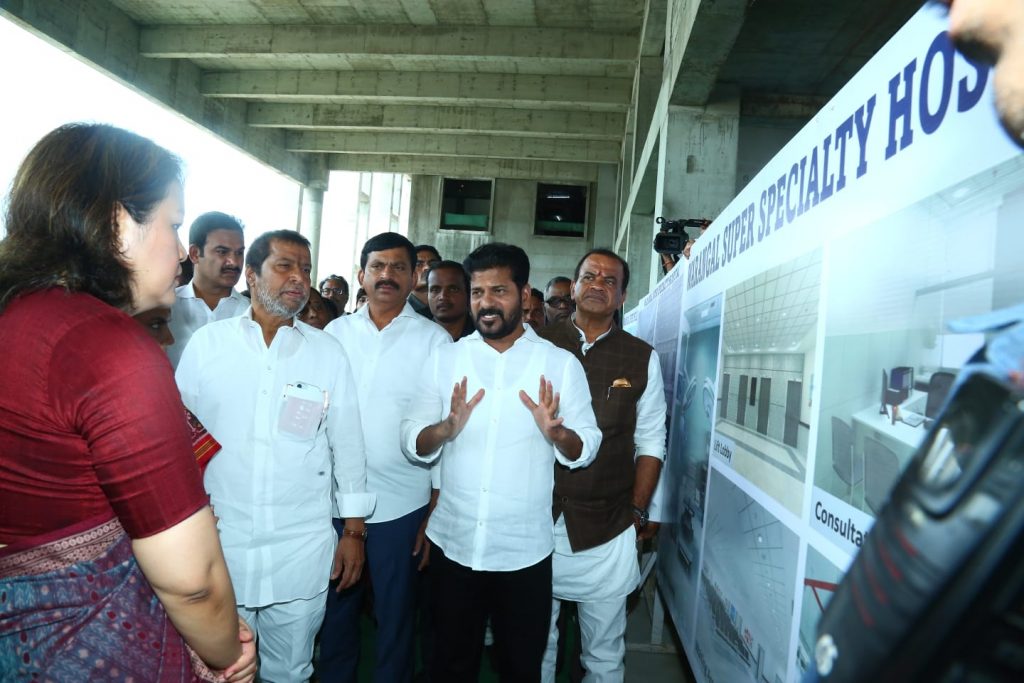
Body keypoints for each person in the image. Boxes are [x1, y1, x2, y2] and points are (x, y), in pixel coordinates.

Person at [0, 123, 255, 681]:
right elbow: (192, 581)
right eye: (173, 225)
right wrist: (225, 654)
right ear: (119, 223)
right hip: (87, 647)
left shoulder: (16, 314)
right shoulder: (109, 347)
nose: (181, 256)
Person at [176, 229, 375, 682]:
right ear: (251, 273)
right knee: (221, 670)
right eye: (285, 265)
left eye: (305, 268)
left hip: (300, 547)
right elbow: (178, 441)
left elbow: (348, 444)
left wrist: (355, 532)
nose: (299, 278)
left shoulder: (326, 351)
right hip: (223, 544)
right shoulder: (209, 345)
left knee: (291, 671)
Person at [401, 242, 602, 683]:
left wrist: (557, 434)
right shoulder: (446, 358)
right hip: (454, 544)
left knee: (519, 668)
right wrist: (445, 429)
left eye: (498, 291)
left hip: (524, 551)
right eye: (477, 292)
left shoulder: (560, 364)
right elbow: (412, 439)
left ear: (525, 293)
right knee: (448, 667)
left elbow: (586, 445)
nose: (485, 303)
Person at [320, 233, 451, 683]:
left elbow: (444, 427)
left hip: (403, 503)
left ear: (415, 275)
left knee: (396, 617)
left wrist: (435, 504)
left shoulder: (435, 341)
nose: (387, 276)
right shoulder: (334, 335)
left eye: (398, 267)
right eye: (377, 267)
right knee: (336, 611)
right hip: (334, 500)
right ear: (362, 275)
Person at [539, 249, 667, 683]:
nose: (597, 285)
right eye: (589, 276)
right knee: (537, 645)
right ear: (572, 287)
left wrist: (636, 509)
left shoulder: (641, 357)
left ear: (623, 295)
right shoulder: (535, 343)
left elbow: (651, 441)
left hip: (608, 522)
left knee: (604, 653)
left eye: (609, 280)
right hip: (534, 518)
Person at [167, 211, 248, 368]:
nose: (234, 262)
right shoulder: (167, 307)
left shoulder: (252, 314)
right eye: (222, 252)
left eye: (239, 253)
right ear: (195, 254)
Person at [428, 260, 475, 341]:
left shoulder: (484, 336)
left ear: (468, 293)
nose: (442, 296)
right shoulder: (415, 335)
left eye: (453, 289)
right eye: (435, 290)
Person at [409, 244, 442, 319]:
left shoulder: (454, 308)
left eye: (433, 264)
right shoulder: (400, 311)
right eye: (418, 264)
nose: (427, 267)